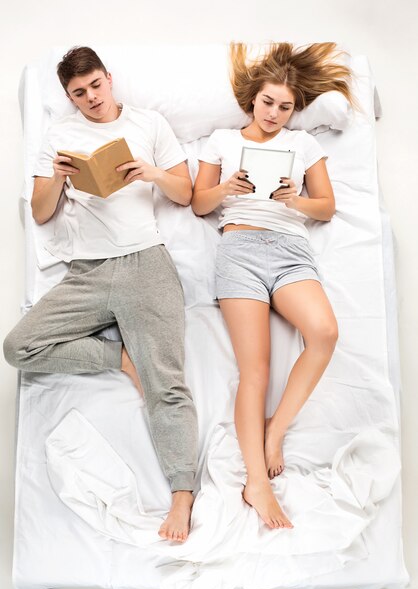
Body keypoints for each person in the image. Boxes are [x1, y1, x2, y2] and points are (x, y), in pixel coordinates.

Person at [3, 46, 198, 543]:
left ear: (109, 80)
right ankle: (120, 359)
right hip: (86, 271)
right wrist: (61, 179)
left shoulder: (149, 124)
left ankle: (182, 496)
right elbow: (41, 214)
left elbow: (187, 193)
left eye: (95, 86)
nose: (90, 98)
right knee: (18, 347)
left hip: (145, 263)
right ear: (70, 97)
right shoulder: (60, 135)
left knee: (167, 384)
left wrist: (150, 173)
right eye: (78, 93)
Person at [191, 42, 356, 530]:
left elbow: (326, 206)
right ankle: (256, 484)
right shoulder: (221, 141)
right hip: (239, 252)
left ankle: (273, 433)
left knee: (324, 333)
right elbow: (200, 204)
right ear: (252, 101)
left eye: (285, 107)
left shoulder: (303, 146)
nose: (275, 114)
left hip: (289, 251)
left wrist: (293, 201)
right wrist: (227, 189)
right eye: (268, 103)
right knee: (255, 371)